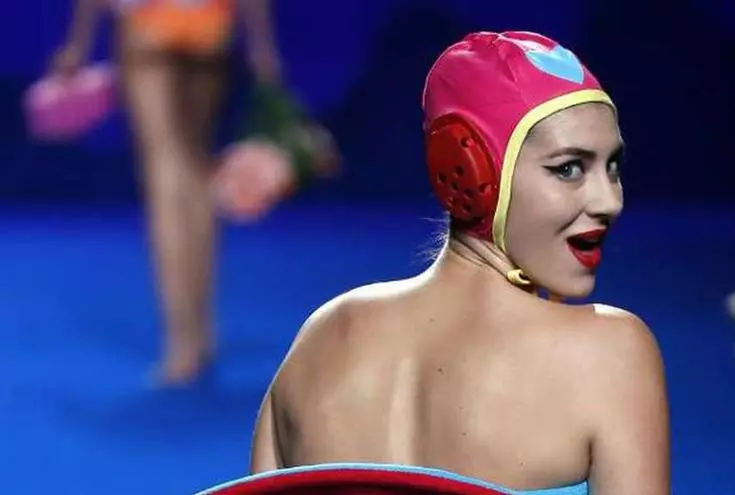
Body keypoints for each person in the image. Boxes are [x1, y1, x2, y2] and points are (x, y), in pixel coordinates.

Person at [248, 31, 669, 495]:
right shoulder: (611, 354)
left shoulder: (319, 338)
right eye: (568, 168)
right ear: (469, 172)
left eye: (613, 167)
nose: (609, 201)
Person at [50, 0, 281, 385]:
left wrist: (78, 41)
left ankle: (181, 341)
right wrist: (262, 45)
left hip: (148, 25)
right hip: (208, 25)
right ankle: (203, 332)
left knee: (166, 178)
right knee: (197, 174)